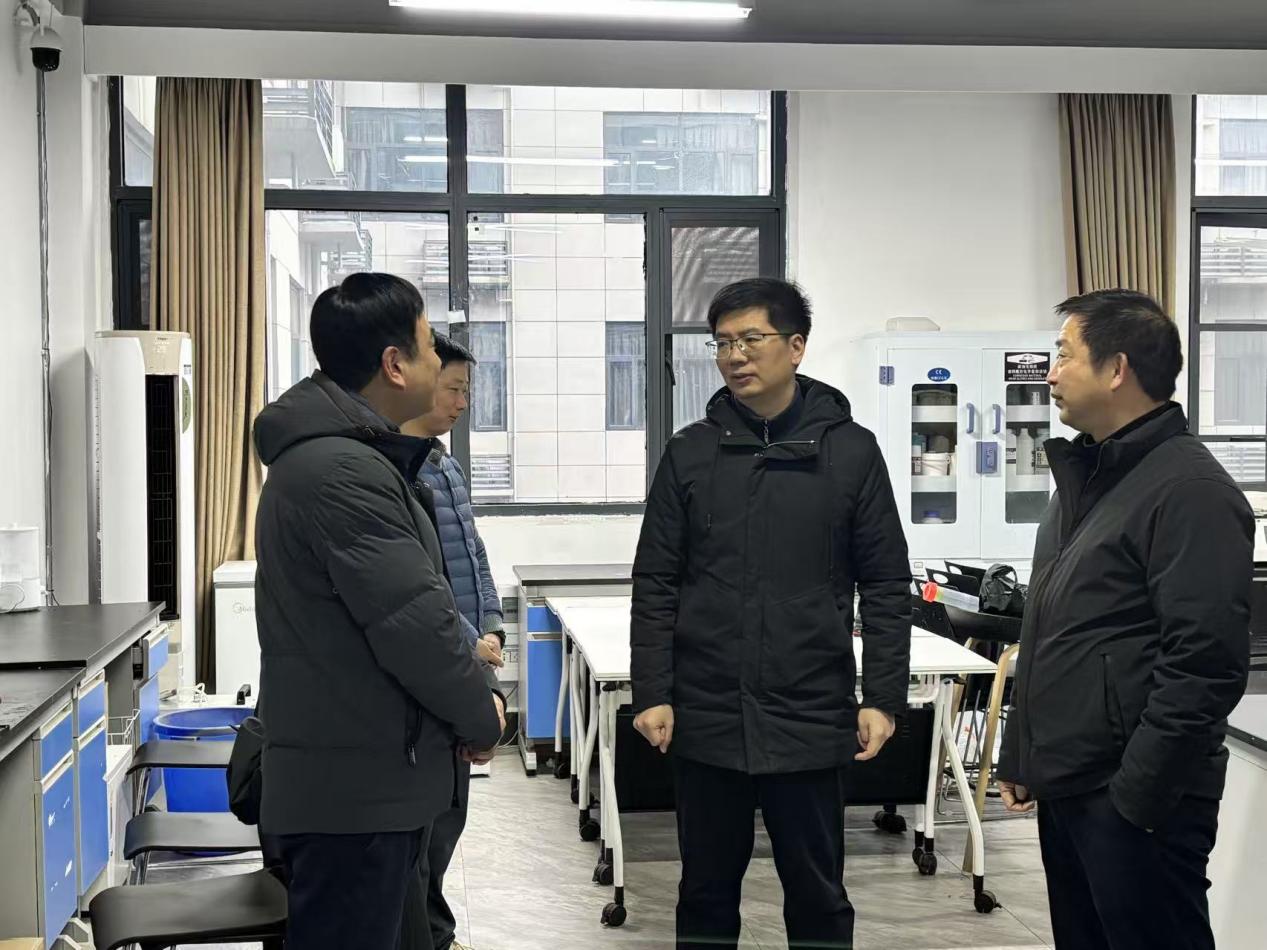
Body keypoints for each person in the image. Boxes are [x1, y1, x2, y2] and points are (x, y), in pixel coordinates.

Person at [630, 277, 912, 950]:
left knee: (817, 894)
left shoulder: (851, 452)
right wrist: (653, 691)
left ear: (795, 346)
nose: (735, 356)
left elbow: (885, 583)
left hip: (809, 710)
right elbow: (656, 580)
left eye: (751, 339)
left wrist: (882, 697)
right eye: (723, 342)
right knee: (704, 891)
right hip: (707, 711)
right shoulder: (690, 452)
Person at [252, 273, 506, 950]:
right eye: (429, 347)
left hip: (360, 782)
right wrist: (482, 715)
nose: (438, 363)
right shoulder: (344, 473)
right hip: (353, 798)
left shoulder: (347, 457)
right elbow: (415, 626)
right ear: (394, 364)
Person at [996, 289, 1253, 950]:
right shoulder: (1087, 479)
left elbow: (1203, 665)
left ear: (1116, 369)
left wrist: (1134, 796)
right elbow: (1049, 631)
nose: (1050, 373)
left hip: (1134, 800)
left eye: (1064, 355)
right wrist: (1022, 752)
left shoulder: (1190, 492)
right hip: (1074, 786)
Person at [398, 333, 505, 950]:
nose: (463, 402)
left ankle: (436, 930)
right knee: (430, 822)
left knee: (452, 814)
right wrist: (469, 640)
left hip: (469, 655)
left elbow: (473, 555)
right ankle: (431, 935)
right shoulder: (398, 470)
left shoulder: (444, 464)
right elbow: (420, 582)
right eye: (454, 388)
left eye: (468, 390)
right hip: (439, 662)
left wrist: (491, 623)